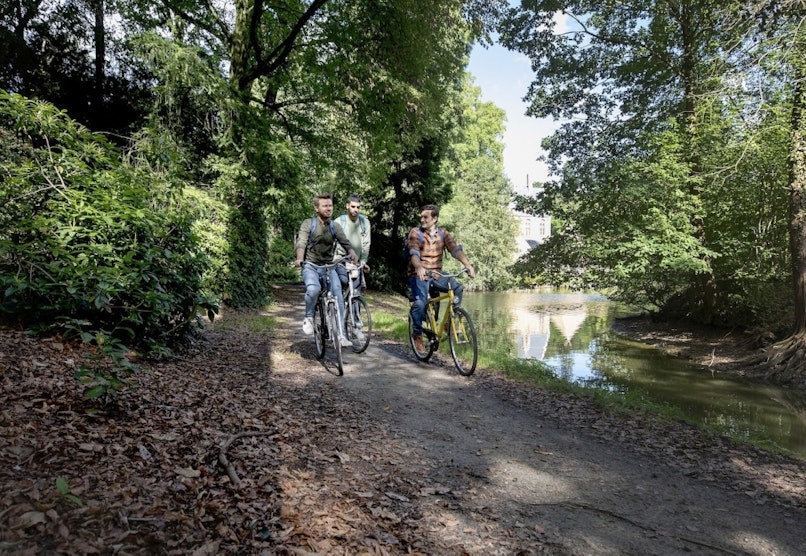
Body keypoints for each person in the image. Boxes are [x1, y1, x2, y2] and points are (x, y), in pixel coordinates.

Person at [406, 204, 475, 354]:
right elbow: (414, 253)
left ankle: (449, 322)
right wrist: (418, 267)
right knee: (420, 302)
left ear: (435, 218)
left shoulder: (443, 233)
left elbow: (455, 250)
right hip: (419, 274)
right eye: (421, 217)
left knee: (457, 288)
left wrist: (467, 265)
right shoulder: (416, 233)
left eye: (426, 217)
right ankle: (417, 334)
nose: (422, 220)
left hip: (437, 274)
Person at [294, 194, 359, 348]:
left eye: (330, 205)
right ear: (316, 208)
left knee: (337, 293)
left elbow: (345, 241)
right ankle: (309, 316)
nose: (329, 208)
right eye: (325, 206)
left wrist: (352, 252)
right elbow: (301, 242)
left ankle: (341, 335)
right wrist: (299, 258)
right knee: (314, 289)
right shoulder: (308, 223)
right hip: (310, 265)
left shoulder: (334, 226)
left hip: (329, 266)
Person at [333, 195, 371, 340]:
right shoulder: (339, 221)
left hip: (356, 262)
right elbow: (333, 241)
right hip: (340, 259)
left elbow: (366, 243)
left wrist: (363, 261)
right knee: (342, 284)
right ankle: (338, 321)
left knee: (355, 293)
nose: (355, 210)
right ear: (347, 206)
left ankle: (356, 326)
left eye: (358, 207)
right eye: (353, 206)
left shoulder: (364, 222)